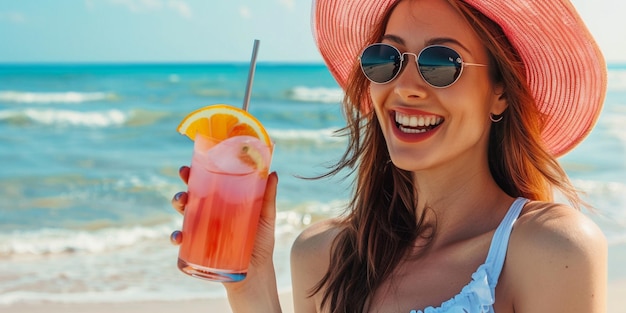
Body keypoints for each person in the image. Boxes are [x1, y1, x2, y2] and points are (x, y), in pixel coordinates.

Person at [171, 0, 608, 312]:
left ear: (500, 92)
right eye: (386, 59)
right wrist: (249, 285)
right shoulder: (324, 256)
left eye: (441, 62)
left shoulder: (550, 249)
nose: (407, 86)